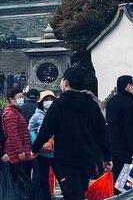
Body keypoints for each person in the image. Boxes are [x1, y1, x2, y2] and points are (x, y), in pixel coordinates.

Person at [31, 68, 111, 200]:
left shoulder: (59, 104)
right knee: (81, 189)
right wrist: (107, 157)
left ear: (66, 82)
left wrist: (35, 148)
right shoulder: (92, 104)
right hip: (87, 157)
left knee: (72, 193)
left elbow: (47, 129)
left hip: (66, 158)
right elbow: (102, 132)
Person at [105, 75, 133, 182]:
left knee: (119, 183)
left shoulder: (111, 103)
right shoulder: (130, 104)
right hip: (129, 153)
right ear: (128, 86)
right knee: (132, 186)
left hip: (116, 150)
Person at [29, 90, 57, 200]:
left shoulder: (57, 113)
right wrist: (36, 141)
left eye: (51, 99)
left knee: (61, 177)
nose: (49, 102)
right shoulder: (37, 115)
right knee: (42, 179)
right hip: (42, 152)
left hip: (57, 152)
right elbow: (30, 129)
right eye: (46, 100)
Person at [1, 88, 33, 175]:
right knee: (19, 181)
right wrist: (20, 151)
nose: (21, 99)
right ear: (11, 99)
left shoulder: (16, 111)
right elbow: (13, 134)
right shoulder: (10, 113)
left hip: (22, 149)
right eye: (19, 97)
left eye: (22, 97)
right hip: (16, 152)